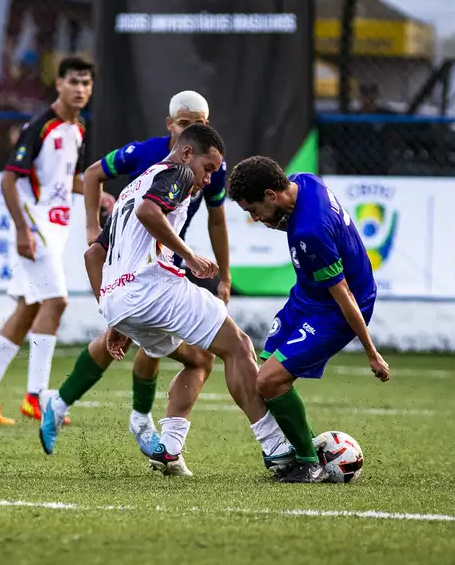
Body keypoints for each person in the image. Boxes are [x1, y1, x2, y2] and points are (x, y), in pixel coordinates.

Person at [39, 125, 295, 478]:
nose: (208, 179)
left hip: (121, 301)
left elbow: (92, 257)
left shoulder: (134, 186)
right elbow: (149, 212)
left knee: (199, 360)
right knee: (237, 346)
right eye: (209, 168)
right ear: (189, 154)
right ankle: (277, 448)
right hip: (153, 290)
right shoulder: (176, 172)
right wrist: (188, 255)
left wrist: (115, 317)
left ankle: (170, 450)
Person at [68, 89, 231, 456]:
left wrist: (224, 276)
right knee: (230, 347)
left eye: (199, 125)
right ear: (170, 125)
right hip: (149, 273)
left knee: (171, 351)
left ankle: (146, 425)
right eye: (184, 124)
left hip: (147, 276)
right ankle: (275, 445)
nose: (207, 177)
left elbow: (216, 218)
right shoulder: (154, 161)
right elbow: (97, 177)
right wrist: (94, 228)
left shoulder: (202, 164)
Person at [226, 156, 390, 483]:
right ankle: (300, 450)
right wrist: (278, 222)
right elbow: (299, 222)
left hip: (335, 308)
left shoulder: (310, 232)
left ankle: (308, 462)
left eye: (253, 210)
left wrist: (371, 351)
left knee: (269, 381)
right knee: (263, 373)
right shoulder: (305, 181)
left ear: (272, 194)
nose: (256, 219)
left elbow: (343, 293)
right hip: (308, 296)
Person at [0, 56, 93, 424]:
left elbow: (70, 181)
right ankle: (36, 397)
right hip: (35, 227)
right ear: (59, 85)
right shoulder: (41, 125)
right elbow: (8, 180)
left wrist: (100, 194)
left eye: (86, 83)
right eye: (74, 82)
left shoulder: (78, 129)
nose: (80, 89)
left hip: (56, 227)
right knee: (57, 302)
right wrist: (22, 229)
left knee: (29, 308)